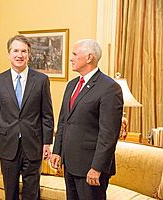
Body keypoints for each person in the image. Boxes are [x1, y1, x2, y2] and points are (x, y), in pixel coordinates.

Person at [51, 39, 123, 200]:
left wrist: (97, 167)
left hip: (91, 167)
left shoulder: (109, 88)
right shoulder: (72, 85)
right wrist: (57, 151)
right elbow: (63, 121)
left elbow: (109, 134)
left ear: (89, 57)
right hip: (70, 164)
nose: (71, 58)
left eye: (75, 54)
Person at [0, 35, 54, 200]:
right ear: (9, 54)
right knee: (10, 191)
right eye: (16, 51)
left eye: (24, 51)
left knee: (31, 192)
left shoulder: (41, 80)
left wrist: (47, 143)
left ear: (29, 54)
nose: (20, 55)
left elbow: (47, 115)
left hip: (33, 144)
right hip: (7, 144)